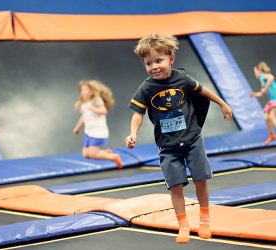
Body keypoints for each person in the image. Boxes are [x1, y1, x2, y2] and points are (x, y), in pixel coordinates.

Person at [125, 34, 233, 244]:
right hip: (167, 147)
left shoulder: (182, 79)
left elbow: (204, 91)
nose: (154, 66)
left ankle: (204, 220)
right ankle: (183, 225)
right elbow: (138, 113)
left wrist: (223, 104)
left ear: (171, 58)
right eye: (148, 63)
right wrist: (133, 134)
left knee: (201, 179)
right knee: (176, 186)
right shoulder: (146, 88)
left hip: (192, 140)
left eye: (159, 61)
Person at [73, 80, 123, 169]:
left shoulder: (96, 100)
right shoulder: (84, 104)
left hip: (98, 131)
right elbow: (83, 117)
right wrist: (77, 127)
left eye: (86, 90)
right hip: (88, 132)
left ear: (92, 91)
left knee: (93, 154)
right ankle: (106, 154)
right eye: (82, 90)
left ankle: (114, 157)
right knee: (86, 154)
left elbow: (103, 111)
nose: (83, 92)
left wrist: (92, 108)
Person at [250, 61, 276, 145]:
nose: (255, 74)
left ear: (259, 71)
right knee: (266, 118)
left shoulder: (263, 76)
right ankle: (272, 135)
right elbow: (263, 94)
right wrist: (255, 94)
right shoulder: (262, 79)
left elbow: (271, 77)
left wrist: (265, 88)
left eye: (255, 72)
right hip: (271, 100)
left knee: (272, 117)